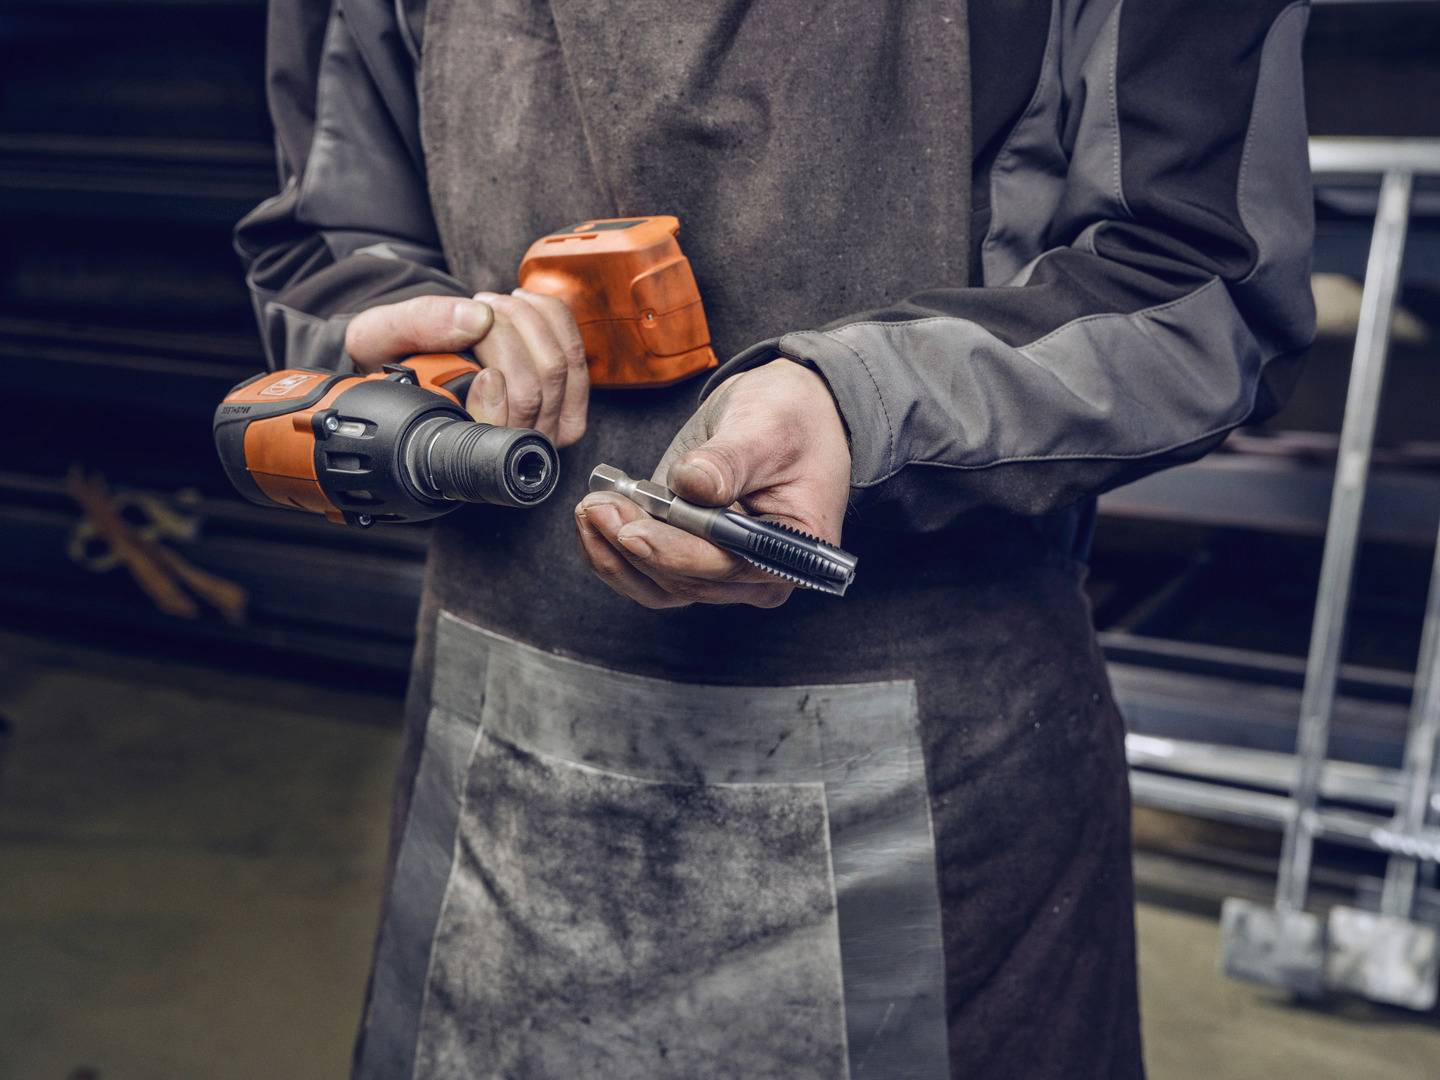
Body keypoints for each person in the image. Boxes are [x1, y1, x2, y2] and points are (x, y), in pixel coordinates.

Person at [237, 2, 1315, 1076]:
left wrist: (864, 401)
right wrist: (381, 338)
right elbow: (324, 241)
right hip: (499, 762)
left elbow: (1201, 280)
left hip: (931, 793)